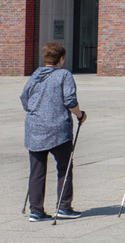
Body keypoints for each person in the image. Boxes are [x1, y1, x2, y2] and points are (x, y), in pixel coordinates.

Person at [21, 42, 86, 222]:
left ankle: (36, 210)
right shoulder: (64, 75)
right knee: (64, 167)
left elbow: (24, 98)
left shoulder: (35, 75)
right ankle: (64, 207)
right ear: (61, 59)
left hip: (35, 128)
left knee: (37, 171)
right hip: (58, 129)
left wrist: (34, 110)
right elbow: (70, 101)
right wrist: (80, 115)